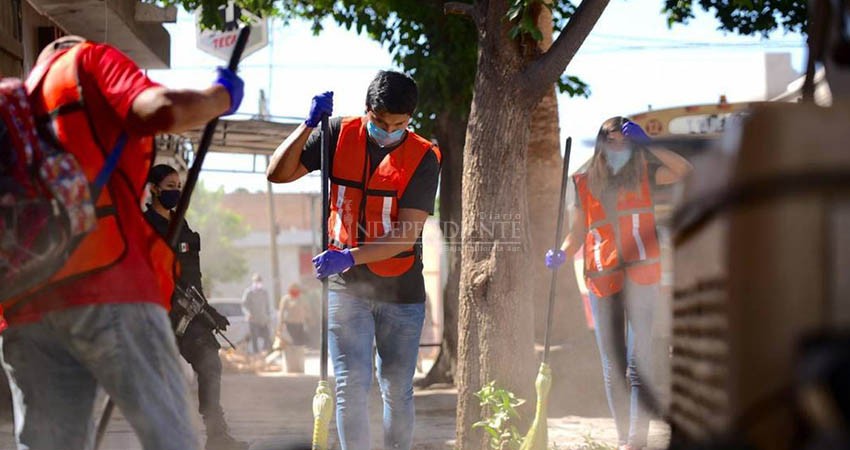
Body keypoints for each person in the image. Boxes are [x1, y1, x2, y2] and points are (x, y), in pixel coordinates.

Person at [0, 36, 243, 450]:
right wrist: (220, 97)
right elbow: (161, 109)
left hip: (25, 305)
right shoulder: (86, 62)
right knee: (171, 440)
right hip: (109, 287)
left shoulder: (20, 107)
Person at [266, 70, 441, 450]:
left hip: (401, 292)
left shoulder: (423, 157)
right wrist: (307, 126)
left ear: (410, 119)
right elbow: (277, 173)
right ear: (367, 110)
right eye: (380, 121)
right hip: (347, 291)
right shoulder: (336, 134)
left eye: (399, 124)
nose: (388, 130)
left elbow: (406, 235)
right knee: (349, 385)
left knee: (396, 390)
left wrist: (348, 256)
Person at [545, 117, 691, 450]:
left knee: (640, 361)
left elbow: (685, 171)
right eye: (612, 141)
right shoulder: (581, 183)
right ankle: (625, 437)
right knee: (613, 365)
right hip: (602, 278)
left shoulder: (645, 175)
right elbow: (577, 233)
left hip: (641, 277)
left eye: (625, 143)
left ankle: (635, 442)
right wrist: (562, 254)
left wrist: (650, 144)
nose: (618, 148)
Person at [143, 164, 247, 450]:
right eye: (169, 187)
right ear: (153, 189)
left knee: (210, 362)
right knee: (158, 378)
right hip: (154, 312)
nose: (175, 192)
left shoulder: (182, 226)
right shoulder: (142, 227)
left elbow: (192, 276)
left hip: (187, 313)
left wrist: (207, 310)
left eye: (178, 186)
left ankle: (217, 436)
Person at [277, 283, 309, 373]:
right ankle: (290, 368)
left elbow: (307, 310)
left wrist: (308, 319)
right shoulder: (286, 299)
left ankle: (300, 368)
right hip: (289, 326)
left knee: (299, 347)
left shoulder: (302, 298)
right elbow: (281, 312)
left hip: (300, 325)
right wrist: (280, 325)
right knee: (289, 347)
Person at [242, 274, 272, 354]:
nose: (258, 283)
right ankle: (256, 354)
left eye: (259, 281)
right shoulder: (249, 292)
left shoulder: (264, 292)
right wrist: (248, 314)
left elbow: (267, 306)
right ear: (253, 282)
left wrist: (269, 317)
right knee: (254, 338)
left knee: (267, 337)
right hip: (253, 320)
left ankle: (265, 352)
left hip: (263, 319)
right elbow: (244, 305)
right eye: (256, 281)